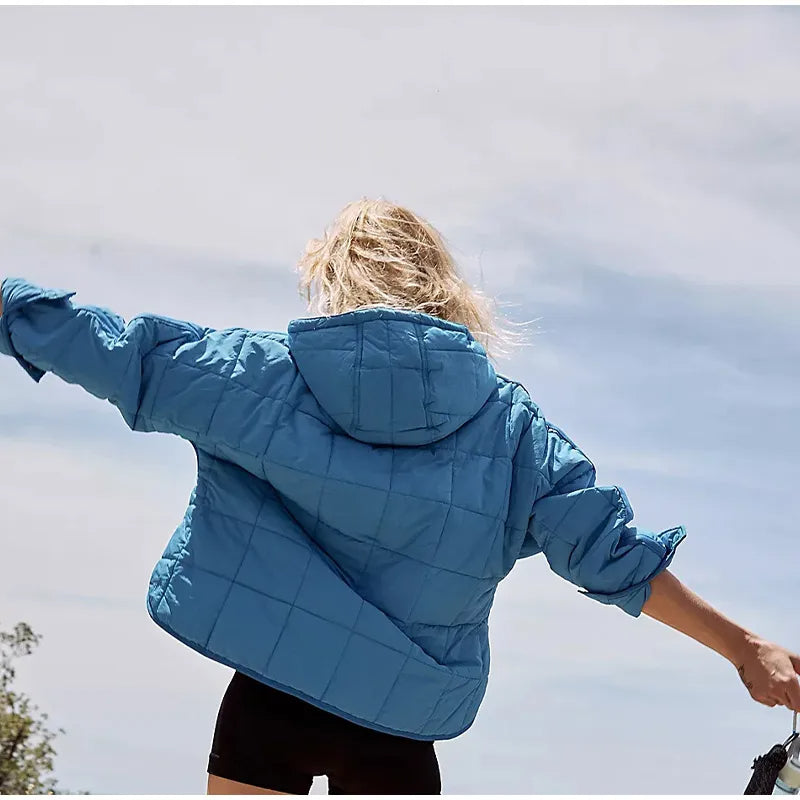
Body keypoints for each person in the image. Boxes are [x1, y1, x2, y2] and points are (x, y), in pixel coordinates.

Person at [0, 197, 798, 796]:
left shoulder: (256, 376)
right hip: (401, 730)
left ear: (331, 278)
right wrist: (745, 648)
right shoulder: (511, 430)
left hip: (266, 707)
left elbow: (117, 353)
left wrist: (9, 308)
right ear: (445, 286)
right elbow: (610, 554)